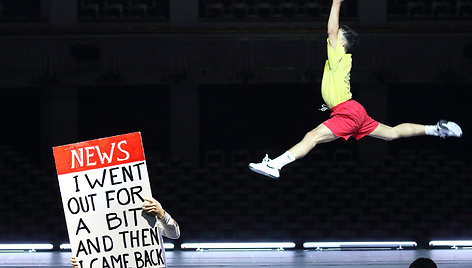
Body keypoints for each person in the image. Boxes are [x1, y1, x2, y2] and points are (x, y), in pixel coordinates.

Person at [249, 0, 462, 179]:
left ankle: (275, 165)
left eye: (337, 36)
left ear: (342, 43)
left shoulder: (339, 54)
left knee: (312, 136)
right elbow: (333, 35)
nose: (331, 37)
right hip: (352, 110)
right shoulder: (340, 60)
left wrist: (336, 2)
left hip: (347, 112)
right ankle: (436, 128)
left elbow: (332, 29)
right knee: (391, 133)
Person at [71, 197, 180, 267]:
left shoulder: (147, 204)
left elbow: (174, 234)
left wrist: (162, 214)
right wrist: (84, 261)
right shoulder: (93, 211)